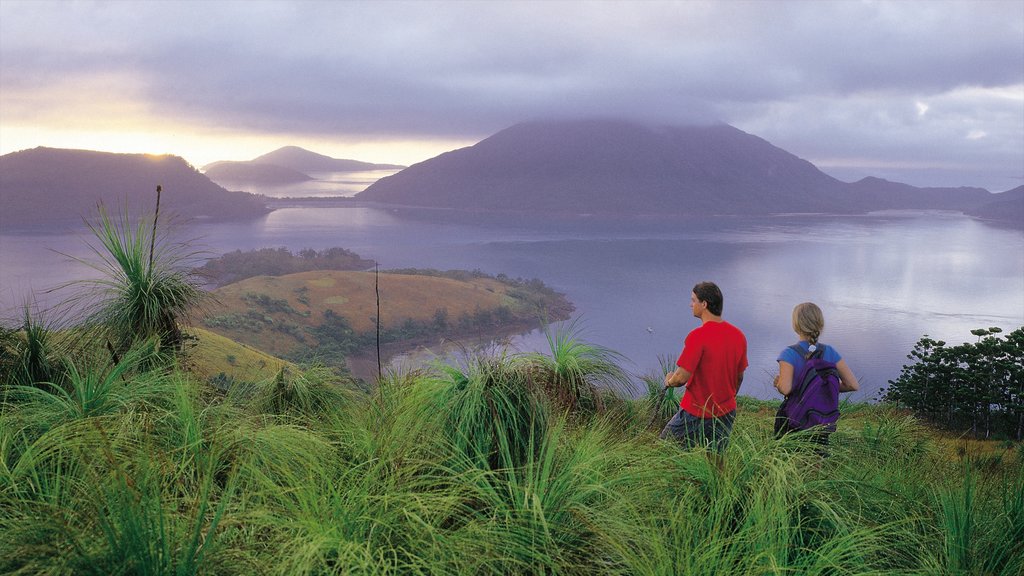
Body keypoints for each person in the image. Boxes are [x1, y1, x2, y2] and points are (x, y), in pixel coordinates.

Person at [660, 281, 748, 453]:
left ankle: (676, 480)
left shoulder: (697, 336)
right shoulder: (738, 335)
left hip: (696, 411)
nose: (690, 304)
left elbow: (681, 378)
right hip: (726, 411)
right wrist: (729, 397)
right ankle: (717, 481)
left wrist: (670, 380)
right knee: (716, 457)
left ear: (704, 304)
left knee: (667, 447)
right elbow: (740, 376)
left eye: (693, 300)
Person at [773, 302, 859, 448]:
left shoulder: (788, 354)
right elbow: (852, 385)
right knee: (816, 463)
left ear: (796, 325)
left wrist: (778, 383)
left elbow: (786, 389)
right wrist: (821, 387)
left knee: (788, 460)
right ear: (820, 324)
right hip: (820, 419)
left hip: (793, 416)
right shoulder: (830, 352)